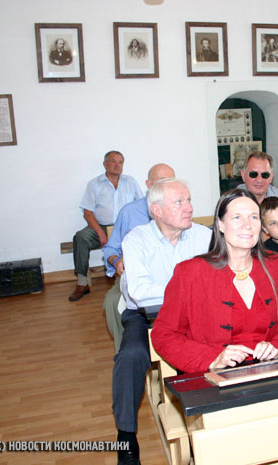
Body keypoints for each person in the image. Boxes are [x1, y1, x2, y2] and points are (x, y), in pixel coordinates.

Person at [112, 178, 212, 465]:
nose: (189, 207)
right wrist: (187, 288)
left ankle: (209, 427)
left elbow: (218, 280)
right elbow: (140, 292)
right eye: (179, 202)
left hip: (194, 314)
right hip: (145, 317)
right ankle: (126, 437)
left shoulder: (204, 236)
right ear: (156, 210)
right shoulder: (136, 239)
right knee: (131, 356)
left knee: (216, 347)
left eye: (189, 200)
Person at [151, 188, 278, 374]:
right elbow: (164, 335)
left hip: (270, 370)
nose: (247, 225)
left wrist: (277, 346)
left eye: (254, 217)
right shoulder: (190, 273)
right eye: (237, 217)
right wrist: (213, 359)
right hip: (215, 377)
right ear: (220, 225)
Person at [102, 163, 175, 352]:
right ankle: (126, 351)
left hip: (170, 275)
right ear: (148, 185)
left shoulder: (179, 210)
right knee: (112, 302)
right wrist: (117, 261)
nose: (167, 186)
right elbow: (110, 249)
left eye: (171, 181)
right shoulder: (129, 212)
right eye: (162, 181)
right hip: (135, 276)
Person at [69, 151, 142, 302]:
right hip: (101, 227)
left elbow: (141, 205)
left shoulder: (131, 182)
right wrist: (101, 234)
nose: (117, 165)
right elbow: (88, 213)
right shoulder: (94, 184)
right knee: (80, 237)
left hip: (124, 227)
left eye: (120, 162)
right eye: (113, 161)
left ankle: (137, 279)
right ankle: (82, 283)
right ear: (105, 164)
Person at [238, 151, 278, 232]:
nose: (259, 180)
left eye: (265, 175)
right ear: (243, 175)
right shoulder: (233, 199)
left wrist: (274, 233)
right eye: (253, 174)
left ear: (271, 177)